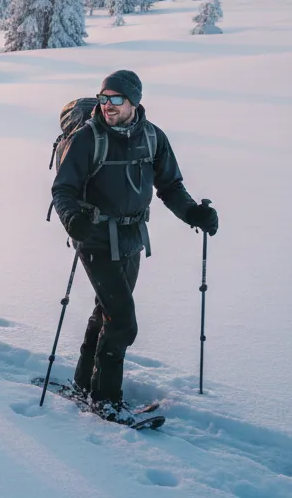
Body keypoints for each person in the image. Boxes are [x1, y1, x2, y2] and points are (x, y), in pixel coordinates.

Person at [51, 69, 218, 411]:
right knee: (123, 320)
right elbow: (63, 189)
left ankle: (85, 383)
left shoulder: (152, 137)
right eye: (103, 98)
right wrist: (72, 219)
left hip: (132, 237)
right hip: (95, 237)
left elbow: (170, 186)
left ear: (134, 102)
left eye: (116, 99)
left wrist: (193, 213)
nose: (108, 105)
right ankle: (106, 400)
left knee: (106, 313)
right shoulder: (87, 138)